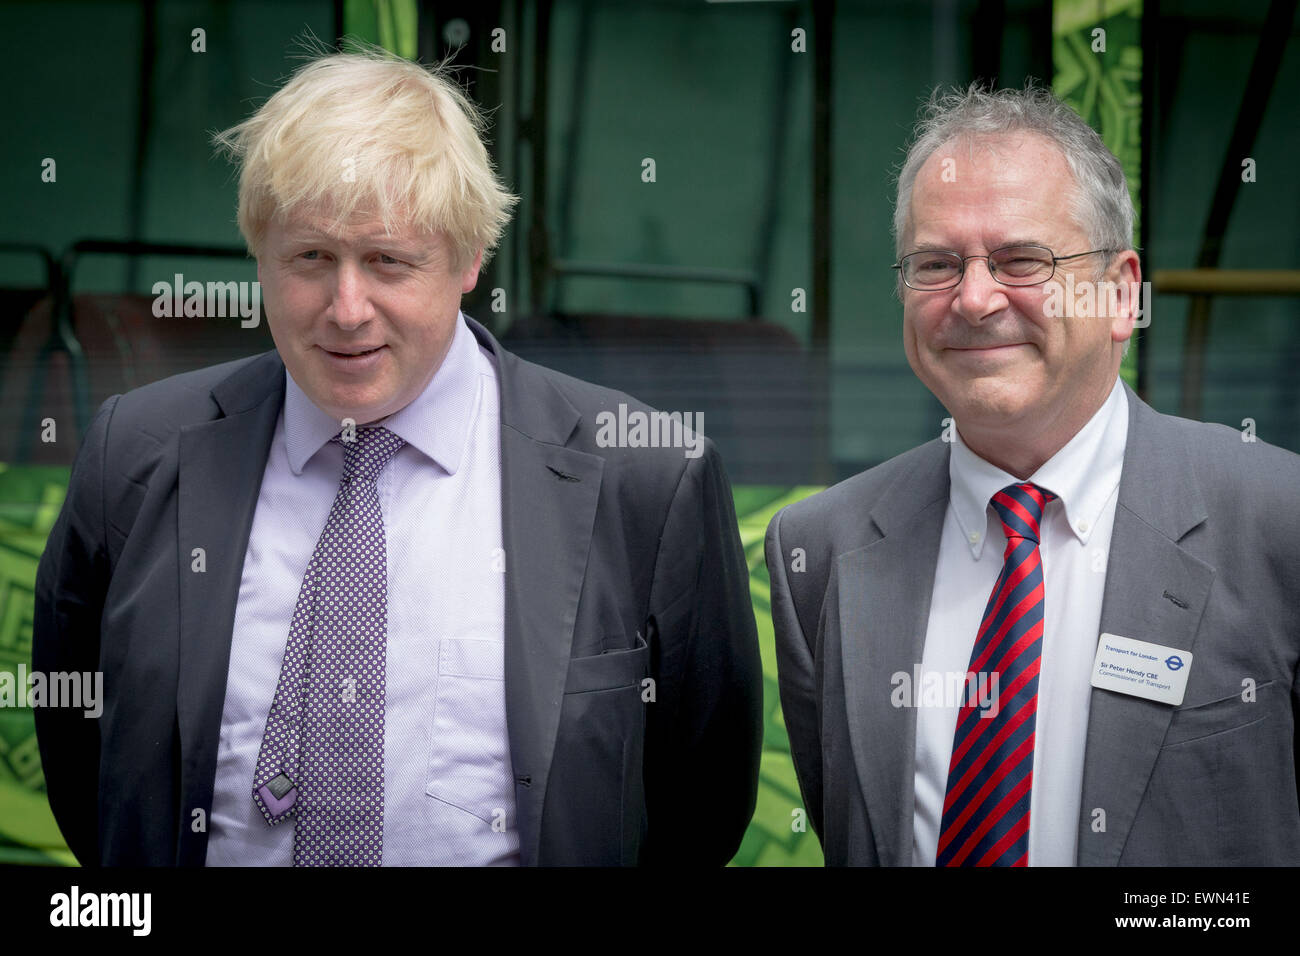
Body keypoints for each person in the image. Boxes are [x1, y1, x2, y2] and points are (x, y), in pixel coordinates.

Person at [32, 44, 762, 866]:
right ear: (259, 257)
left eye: (388, 261)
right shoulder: (134, 453)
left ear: (466, 260)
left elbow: (699, 808)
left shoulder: (645, 479)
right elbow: (87, 763)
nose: (347, 309)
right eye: (310, 258)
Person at [766, 82, 1300, 866]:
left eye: (1022, 260)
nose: (974, 299)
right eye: (936, 264)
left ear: (1121, 294)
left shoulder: (1277, 522)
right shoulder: (820, 549)